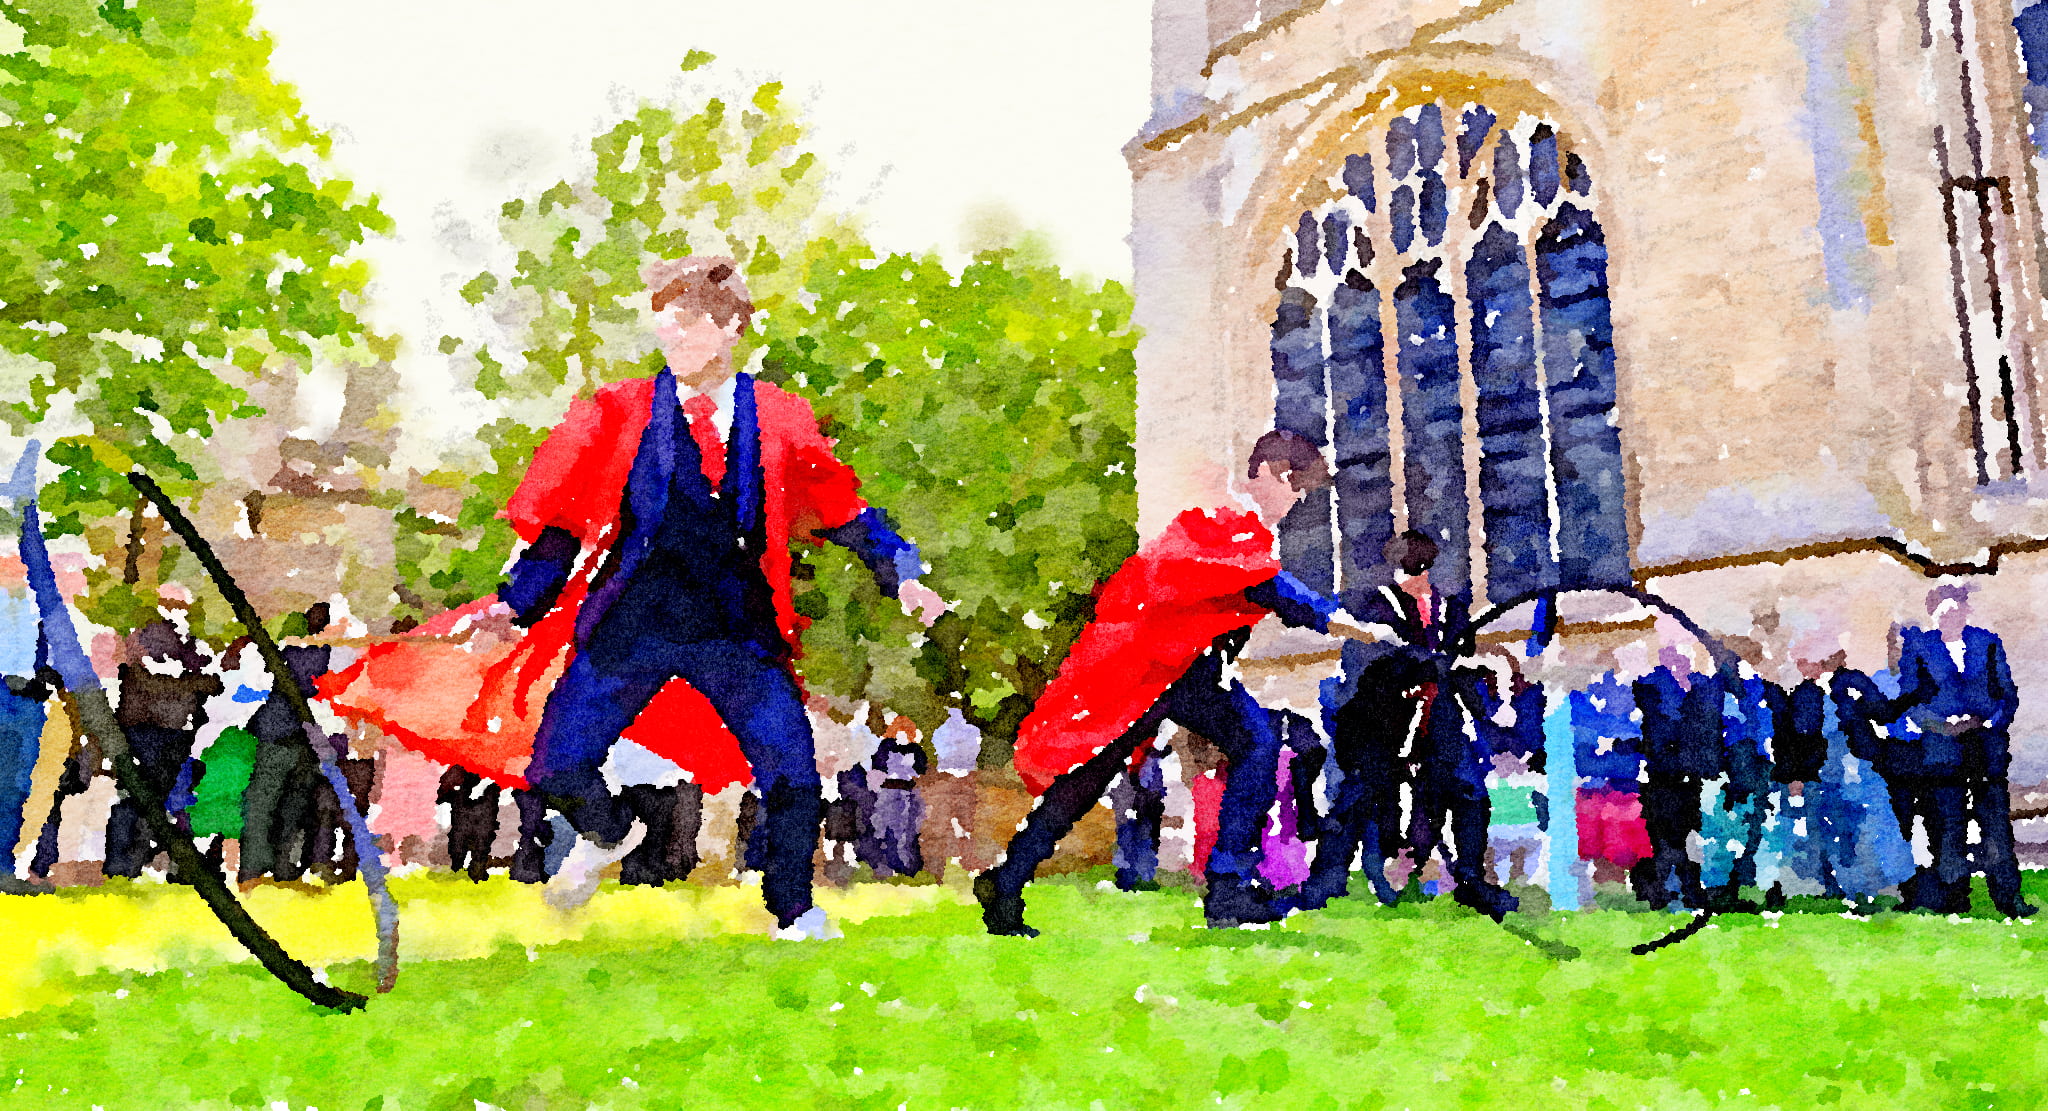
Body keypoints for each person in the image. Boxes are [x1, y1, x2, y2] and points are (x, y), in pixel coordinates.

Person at [415, 257, 943, 936]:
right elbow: (561, 524)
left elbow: (842, 506)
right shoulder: (619, 410)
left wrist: (902, 572)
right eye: (664, 324)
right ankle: (608, 832)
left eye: (689, 323)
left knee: (792, 773)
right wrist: (513, 604)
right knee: (556, 765)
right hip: (632, 622)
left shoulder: (779, 415)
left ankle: (794, 909)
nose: (673, 337)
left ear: (732, 327)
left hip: (736, 626)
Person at [978, 430, 1384, 935]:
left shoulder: (1245, 534)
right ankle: (1007, 880)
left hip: (1190, 672)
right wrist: (1345, 623)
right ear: (1268, 472)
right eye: (1295, 485)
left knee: (1257, 743)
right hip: (1149, 672)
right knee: (1090, 777)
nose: (1297, 500)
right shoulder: (1219, 523)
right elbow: (1271, 589)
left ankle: (1228, 887)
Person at [1301, 530, 1519, 920]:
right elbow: (1373, 662)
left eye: (1418, 571)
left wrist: (1481, 679)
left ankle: (1471, 880)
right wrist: (1421, 662)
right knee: (1357, 796)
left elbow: (1462, 658)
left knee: (1468, 791)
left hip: (1440, 718)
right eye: (1406, 571)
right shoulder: (1377, 606)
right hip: (1383, 719)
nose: (1414, 579)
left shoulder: (1451, 609)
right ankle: (1325, 883)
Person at [1891, 584, 2034, 918]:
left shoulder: (1987, 642)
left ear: (1967, 611)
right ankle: (1954, 899)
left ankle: (2009, 899)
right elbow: (1910, 699)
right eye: (1943, 611)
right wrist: (1941, 725)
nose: (1951, 616)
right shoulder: (1919, 647)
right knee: (1947, 825)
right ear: (1933, 614)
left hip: (1985, 746)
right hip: (1942, 748)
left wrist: (1989, 722)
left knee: (1995, 823)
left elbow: (2007, 694)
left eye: (1957, 610)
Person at [104, 611, 222, 880]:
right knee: (140, 803)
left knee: (171, 803)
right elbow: (148, 684)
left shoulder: (185, 656)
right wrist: (190, 685)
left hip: (178, 741)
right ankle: (124, 866)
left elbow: (212, 684)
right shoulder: (140, 664)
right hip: (145, 738)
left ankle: (164, 864)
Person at [1631, 621, 1725, 911]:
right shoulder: (1654, 692)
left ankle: (1680, 890)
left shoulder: (1696, 691)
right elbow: (1661, 738)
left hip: (1686, 780)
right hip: (1664, 779)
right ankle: (1671, 889)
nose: (1680, 661)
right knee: (1670, 839)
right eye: (1673, 654)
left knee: (1684, 838)